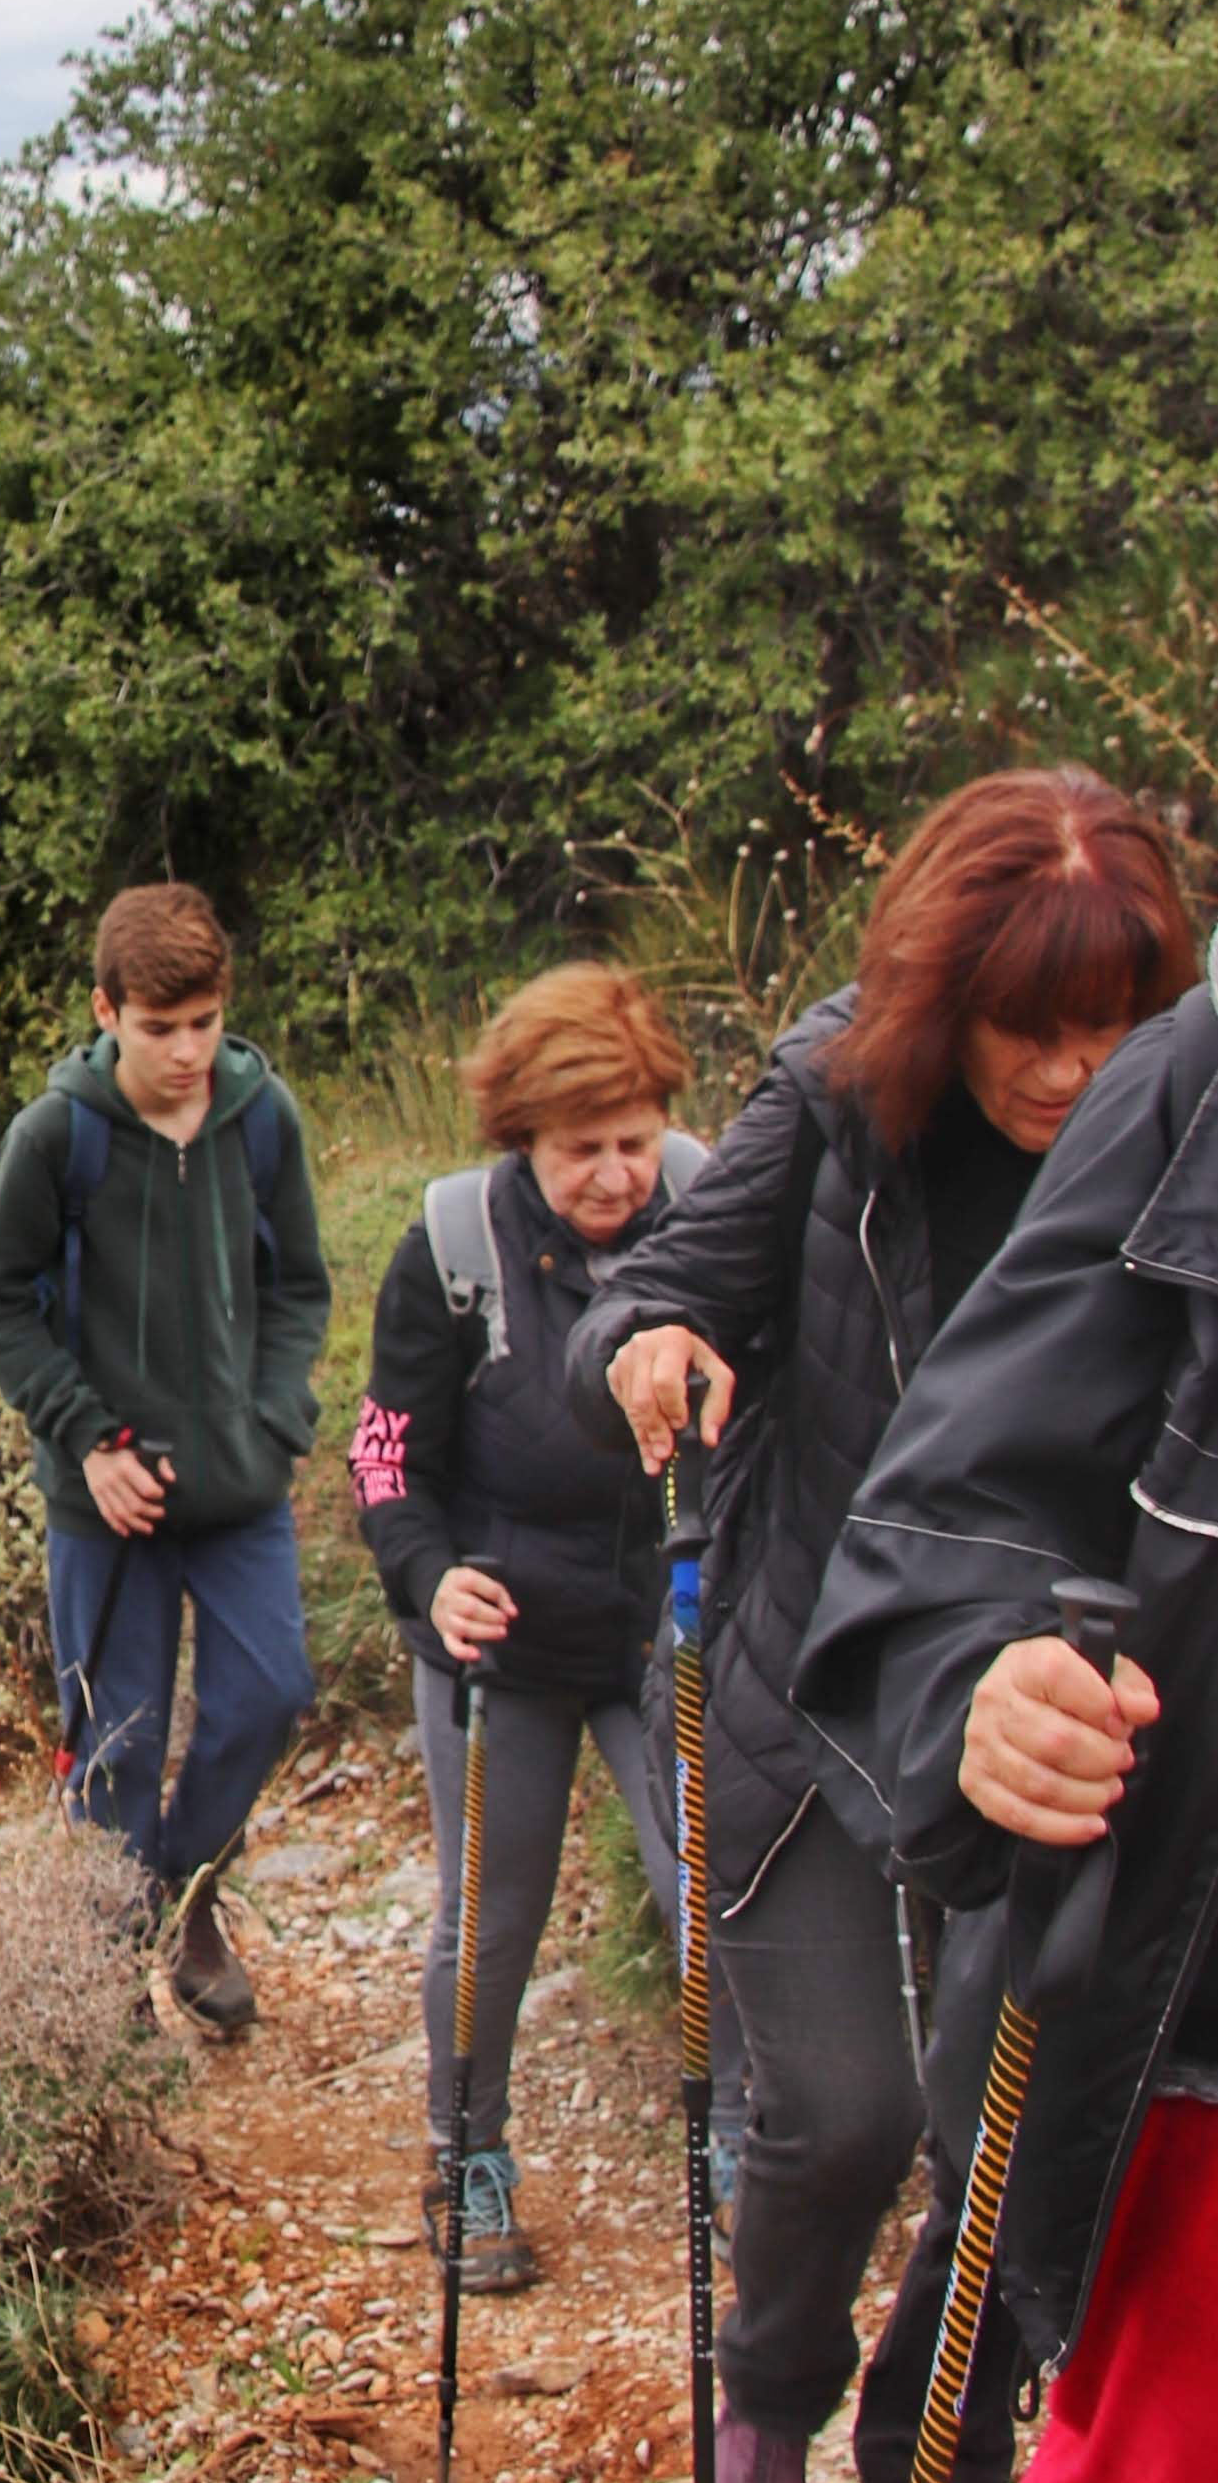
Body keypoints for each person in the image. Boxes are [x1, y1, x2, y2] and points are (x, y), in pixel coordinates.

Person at [570, 767, 1192, 2483]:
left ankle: (934, 2472)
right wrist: (652, 1344)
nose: (1071, 1068)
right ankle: (770, 2382)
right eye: (1029, 1023)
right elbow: (654, 1291)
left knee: (1008, 2107)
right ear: (944, 995)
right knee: (843, 2107)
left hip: (1055, 1695)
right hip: (812, 1668)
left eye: (1114, 1021)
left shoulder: (1183, 1128)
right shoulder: (841, 1096)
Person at [798, 951, 1218, 2483]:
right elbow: (967, 1481)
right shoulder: (1194, 1087)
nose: (1060, 1064)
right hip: (1184, 1893)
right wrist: (983, 1685)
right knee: (1177, 2409)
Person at [350, 964, 718, 2296]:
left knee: (711, 1885)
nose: (616, 1174)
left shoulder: (711, 1207)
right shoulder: (454, 1246)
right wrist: (428, 1576)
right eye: (582, 1150)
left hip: (663, 1622)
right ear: (522, 1136)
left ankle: (740, 2130)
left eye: (635, 1139)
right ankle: (467, 2151)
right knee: (493, 1914)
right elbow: (384, 1454)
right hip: (499, 1632)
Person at [0, 880, 330, 2031]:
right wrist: (85, 1438)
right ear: (105, 1009)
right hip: (105, 1501)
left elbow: (298, 1287)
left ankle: (187, 1894)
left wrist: (273, 1415)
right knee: (114, 1742)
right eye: (158, 1026)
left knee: (269, 1693)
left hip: (239, 1490)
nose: (185, 1051)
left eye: (204, 1022)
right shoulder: (55, 1135)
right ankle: (107, 1986)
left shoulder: (262, 1118)